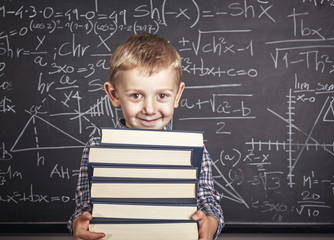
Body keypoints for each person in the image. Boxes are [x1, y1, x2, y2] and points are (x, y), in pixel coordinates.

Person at [68, 33, 224, 240]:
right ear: (114, 95)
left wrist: (210, 224)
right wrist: (78, 224)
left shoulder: (192, 149)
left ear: (177, 95)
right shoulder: (97, 147)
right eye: (136, 95)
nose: (149, 109)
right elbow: (85, 207)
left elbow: (208, 202)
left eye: (162, 96)